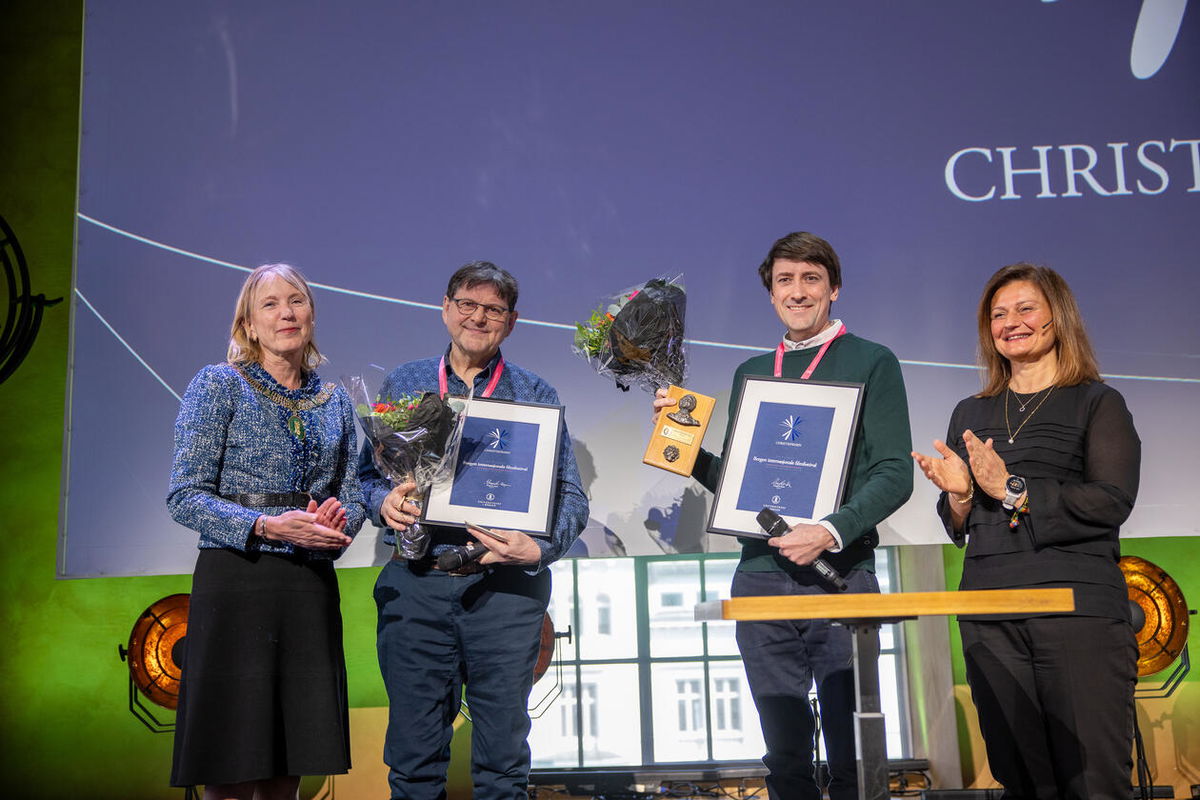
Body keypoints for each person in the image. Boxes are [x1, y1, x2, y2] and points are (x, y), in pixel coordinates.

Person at [653, 232, 913, 800]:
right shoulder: (752, 371)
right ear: (771, 294)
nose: (797, 292)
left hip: (841, 576)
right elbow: (742, 489)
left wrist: (827, 531)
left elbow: (895, 473)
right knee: (784, 755)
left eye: (810, 278)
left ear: (834, 288)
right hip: (761, 576)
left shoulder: (872, 361)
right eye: (784, 281)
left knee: (855, 751)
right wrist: (682, 444)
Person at [359, 260, 588, 800]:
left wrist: (541, 545)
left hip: (504, 593)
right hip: (416, 585)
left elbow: (571, 495)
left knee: (503, 765)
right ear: (446, 308)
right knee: (413, 764)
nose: (478, 318)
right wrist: (382, 503)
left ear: (511, 322)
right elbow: (365, 479)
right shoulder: (406, 383)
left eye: (493, 310)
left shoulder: (535, 393)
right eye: (468, 304)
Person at [912, 263, 1139, 800]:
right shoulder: (971, 411)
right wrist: (961, 495)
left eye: (1025, 308)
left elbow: (1111, 502)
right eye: (998, 314)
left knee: (1094, 783)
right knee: (1022, 781)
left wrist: (1012, 488)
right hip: (989, 615)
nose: (1010, 322)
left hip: (1076, 610)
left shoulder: (1098, 402)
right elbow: (959, 524)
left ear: (1057, 318)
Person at [166, 263, 365, 800]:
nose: (286, 313)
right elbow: (184, 495)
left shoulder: (336, 400)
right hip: (239, 582)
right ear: (248, 325)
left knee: (289, 762)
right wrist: (263, 524)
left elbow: (355, 489)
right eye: (270, 304)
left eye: (296, 301)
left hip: (306, 587)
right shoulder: (218, 385)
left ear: (311, 315)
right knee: (232, 765)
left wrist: (340, 521)